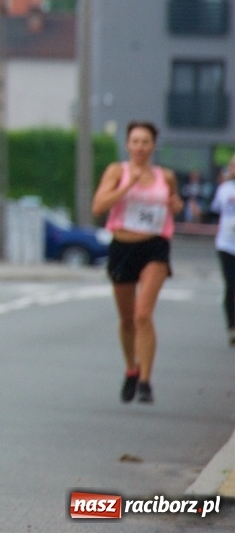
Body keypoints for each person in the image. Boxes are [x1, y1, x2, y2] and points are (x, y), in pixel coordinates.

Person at [91, 120, 182, 404]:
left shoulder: (165, 176)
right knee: (128, 318)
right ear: (128, 145)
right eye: (135, 141)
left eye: (145, 142)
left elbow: (175, 203)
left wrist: (176, 205)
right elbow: (98, 206)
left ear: (153, 146)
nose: (140, 147)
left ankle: (145, 381)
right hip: (123, 247)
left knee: (144, 314)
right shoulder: (117, 171)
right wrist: (127, 186)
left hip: (155, 246)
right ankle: (131, 368)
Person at [212, 161, 235, 346]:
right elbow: (212, 212)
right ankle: (232, 327)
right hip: (226, 245)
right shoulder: (224, 189)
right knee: (231, 284)